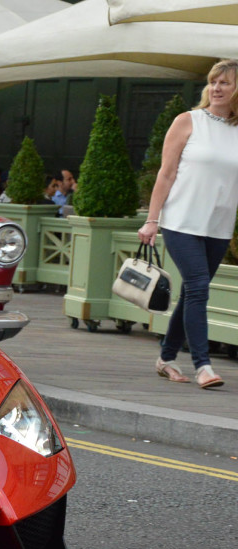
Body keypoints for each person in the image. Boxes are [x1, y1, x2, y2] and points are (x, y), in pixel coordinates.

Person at [139, 58, 238, 390]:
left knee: (191, 294)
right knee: (198, 288)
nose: (217, 88)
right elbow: (165, 174)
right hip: (181, 220)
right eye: (213, 81)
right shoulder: (188, 121)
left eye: (225, 82)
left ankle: (166, 359)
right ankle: (203, 365)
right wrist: (152, 220)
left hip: (219, 226)